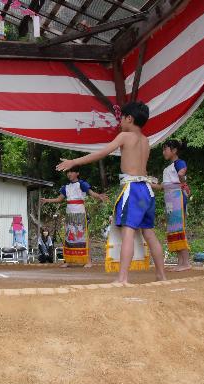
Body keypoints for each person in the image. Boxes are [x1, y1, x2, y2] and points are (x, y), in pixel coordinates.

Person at [56, 101, 167, 284]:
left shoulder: (125, 136)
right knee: (149, 233)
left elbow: (102, 153)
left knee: (128, 232)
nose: (120, 123)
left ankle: (123, 278)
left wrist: (73, 161)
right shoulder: (146, 141)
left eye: (122, 118)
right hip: (147, 191)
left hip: (132, 189)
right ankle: (161, 275)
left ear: (129, 118)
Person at [41, 167, 108, 268]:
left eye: (71, 172)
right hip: (69, 213)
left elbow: (91, 193)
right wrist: (47, 200)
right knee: (69, 237)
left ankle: (88, 261)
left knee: (83, 237)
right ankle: (68, 260)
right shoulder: (65, 187)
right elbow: (59, 199)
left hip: (80, 212)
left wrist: (99, 196)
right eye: (68, 172)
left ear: (77, 173)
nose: (69, 174)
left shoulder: (82, 184)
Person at [151, 139, 191, 272]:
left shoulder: (179, 163)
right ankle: (180, 262)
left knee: (179, 228)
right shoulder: (167, 168)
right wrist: (146, 182)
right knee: (174, 229)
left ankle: (186, 262)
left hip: (177, 198)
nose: (163, 152)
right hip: (170, 201)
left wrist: (182, 177)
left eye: (165, 149)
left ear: (174, 150)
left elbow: (182, 172)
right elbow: (161, 187)